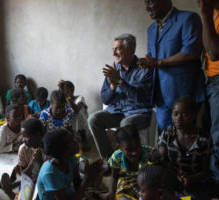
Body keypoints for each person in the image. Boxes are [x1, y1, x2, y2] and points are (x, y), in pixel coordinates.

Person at [138, 0, 205, 132]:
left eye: (150, 2)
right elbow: (152, 57)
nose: (147, 8)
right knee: (165, 139)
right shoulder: (151, 29)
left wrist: (158, 63)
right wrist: (146, 62)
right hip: (161, 96)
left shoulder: (188, 19)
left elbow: (191, 52)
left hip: (185, 94)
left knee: (188, 139)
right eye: (145, 3)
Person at [88, 34, 153, 159]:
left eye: (117, 49)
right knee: (94, 119)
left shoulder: (144, 69)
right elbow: (105, 99)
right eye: (113, 50)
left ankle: (128, 162)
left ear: (131, 50)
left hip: (138, 113)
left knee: (126, 124)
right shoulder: (114, 70)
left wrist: (120, 82)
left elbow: (141, 98)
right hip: (116, 112)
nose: (114, 54)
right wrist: (113, 86)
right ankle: (110, 160)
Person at [158, 96, 213, 199]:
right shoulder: (167, 134)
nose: (179, 118)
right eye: (176, 114)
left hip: (195, 183)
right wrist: (174, 176)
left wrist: (189, 179)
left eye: (185, 115)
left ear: (194, 116)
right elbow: (161, 161)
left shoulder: (203, 139)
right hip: (171, 180)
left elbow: (205, 172)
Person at [37, 129, 103, 200]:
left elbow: (77, 184)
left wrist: (90, 175)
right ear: (64, 151)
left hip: (68, 193)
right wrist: (88, 178)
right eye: (71, 141)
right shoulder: (50, 173)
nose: (75, 141)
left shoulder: (71, 159)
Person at [103, 125, 160, 200]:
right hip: (127, 181)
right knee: (120, 197)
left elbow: (156, 177)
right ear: (119, 147)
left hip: (146, 183)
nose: (135, 152)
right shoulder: (117, 157)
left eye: (138, 147)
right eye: (129, 150)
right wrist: (111, 192)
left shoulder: (150, 154)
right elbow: (114, 176)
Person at [197, 0, 219, 184]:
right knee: (210, 135)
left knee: (218, 137)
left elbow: (214, 52)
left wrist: (205, 13)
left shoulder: (209, 13)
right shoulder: (214, 15)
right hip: (211, 81)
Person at [59, 80, 91, 152]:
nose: (65, 91)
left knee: (78, 114)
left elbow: (76, 109)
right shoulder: (64, 101)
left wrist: (68, 97)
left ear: (72, 90)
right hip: (70, 126)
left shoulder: (80, 98)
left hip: (81, 125)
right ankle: (74, 141)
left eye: (67, 89)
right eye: (63, 90)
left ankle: (84, 140)